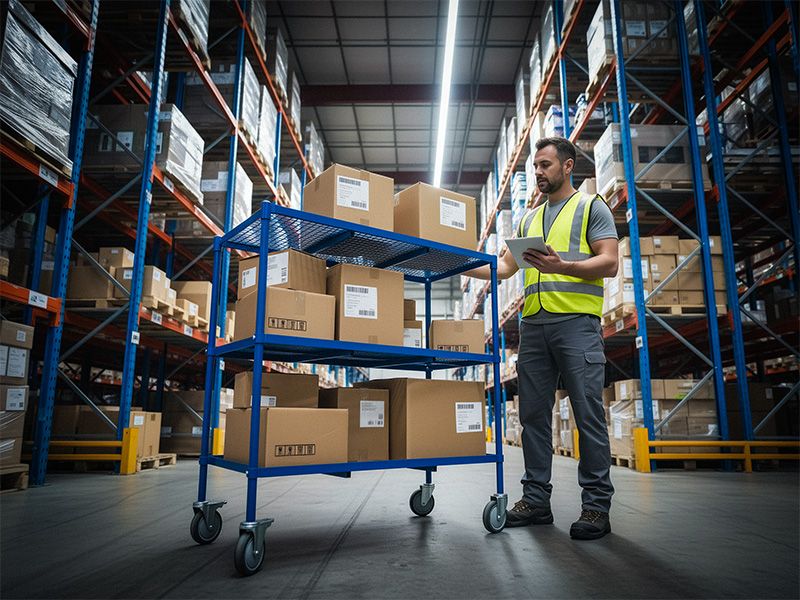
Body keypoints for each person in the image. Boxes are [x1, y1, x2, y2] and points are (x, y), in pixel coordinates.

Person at [467, 136, 619, 540]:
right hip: (534, 327)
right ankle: (535, 501)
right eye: (535, 166)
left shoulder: (591, 206)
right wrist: (461, 265)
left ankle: (595, 508)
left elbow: (610, 262)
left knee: (588, 415)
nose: (538, 172)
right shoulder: (528, 219)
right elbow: (503, 269)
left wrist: (562, 265)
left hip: (576, 324)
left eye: (546, 165)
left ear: (568, 166)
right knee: (534, 416)